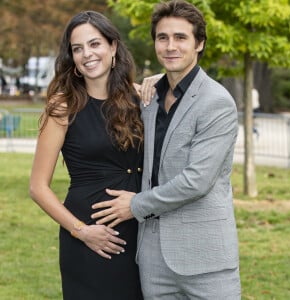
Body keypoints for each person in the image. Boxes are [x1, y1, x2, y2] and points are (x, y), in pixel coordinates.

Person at [92, 1, 241, 299]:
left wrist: (135, 205)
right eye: (163, 38)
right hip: (152, 260)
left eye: (180, 37)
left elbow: (196, 181)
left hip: (205, 258)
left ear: (199, 44)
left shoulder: (216, 102)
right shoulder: (149, 98)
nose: (170, 46)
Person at [29, 11, 144, 299]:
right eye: (77, 49)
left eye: (95, 44)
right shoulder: (63, 106)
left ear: (113, 47)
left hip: (142, 234)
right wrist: (81, 232)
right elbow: (38, 187)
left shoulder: (140, 99)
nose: (87, 54)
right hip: (90, 238)